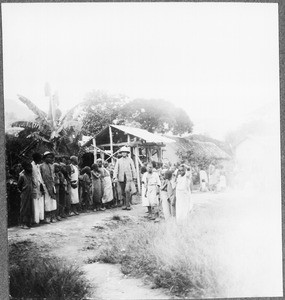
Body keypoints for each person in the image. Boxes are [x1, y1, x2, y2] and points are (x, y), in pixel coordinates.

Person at [113, 146, 137, 210]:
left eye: (125, 152)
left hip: (128, 178)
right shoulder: (119, 160)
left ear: (127, 153)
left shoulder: (130, 160)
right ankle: (124, 204)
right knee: (123, 191)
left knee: (127, 190)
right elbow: (116, 169)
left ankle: (128, 204)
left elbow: (133, 168)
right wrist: (115, 177)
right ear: (121, 153)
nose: (124, 153)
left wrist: (134, 177)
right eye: (122, 152)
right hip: (121, 178)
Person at [40, 152, 57, 223]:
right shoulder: (41, 166)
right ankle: (47, 216)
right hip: (45, 185)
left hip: (52, 185)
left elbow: (53, 176)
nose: (50, 159)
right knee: (47, 201)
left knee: (53, 201)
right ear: (44, 158)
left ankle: (53, 216)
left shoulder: (52, 166)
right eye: (48, 157)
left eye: (51, 157)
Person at [17, 161, 35, 229]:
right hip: (24, 194)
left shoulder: (29, 174)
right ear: (24, 168)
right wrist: (22, 193)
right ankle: (22, 223)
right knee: (24, 208)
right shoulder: (22, 176)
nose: (30, 168)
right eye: (28, 167)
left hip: (30, 193)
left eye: (30, 167)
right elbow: (19, 186)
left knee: (29, 208)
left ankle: (28, 222)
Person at [31, 153, 45, 225]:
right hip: (34, 187)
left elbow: (40, 176)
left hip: (40, 186)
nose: (40, 160)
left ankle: (41, 218)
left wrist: (42, 185)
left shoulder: (37, 166)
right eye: (39, 159)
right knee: (35, 203)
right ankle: (36, 221)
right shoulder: (31, 166)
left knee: (40, 203)